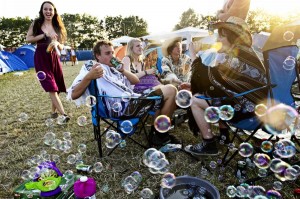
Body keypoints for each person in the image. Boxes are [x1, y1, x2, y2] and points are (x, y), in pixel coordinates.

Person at [181, 16, 268, 156]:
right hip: (251, 105)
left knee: (195, 100)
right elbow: (218, 83)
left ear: (232, 37)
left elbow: (213, 78)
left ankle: (209, 144)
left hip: (250, 111)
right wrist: (194, 85)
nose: (217, 41)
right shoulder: (240, 53)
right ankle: (223, 136)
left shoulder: (239, 55)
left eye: (221, 37)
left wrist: (193, 55)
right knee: (215, 96)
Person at [68, 40, 179, 146]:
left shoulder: (114, 70)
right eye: (107, 53)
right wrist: (89, 77)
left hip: (131, 101)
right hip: (121, 108)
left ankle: (159, 134)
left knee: (165, 90)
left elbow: (135, 81)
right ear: (97, 55)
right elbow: (74, 94)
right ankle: (160, 135)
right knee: (170, 90)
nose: (112, 56)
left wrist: (123, 70)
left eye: (112, 52)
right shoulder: (92, 68)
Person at [26, 1, 69, 121]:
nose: (48, 12)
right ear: (42, 11)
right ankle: (64, 115)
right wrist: (44, 35)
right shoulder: (37, 23)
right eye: (45, 9)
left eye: (50, 9)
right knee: (51, 86)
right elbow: (28, 38)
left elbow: (61, 46)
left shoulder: (57, 26)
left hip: (54, 57)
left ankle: (53, 112)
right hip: (41, 56)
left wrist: (57, 43)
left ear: (54, 11)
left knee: (57, 86)